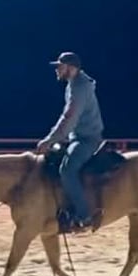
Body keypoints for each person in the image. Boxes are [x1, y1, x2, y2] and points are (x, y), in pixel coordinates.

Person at [37, 52, 104, 231]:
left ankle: (84, 216)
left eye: (60, 66)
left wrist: (50, 139)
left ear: (71, 68)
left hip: (87, 139)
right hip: (76, 137)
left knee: (67, 170)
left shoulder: (80, 87)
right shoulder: (73, 84)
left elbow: (69, 117)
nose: (57, 70)